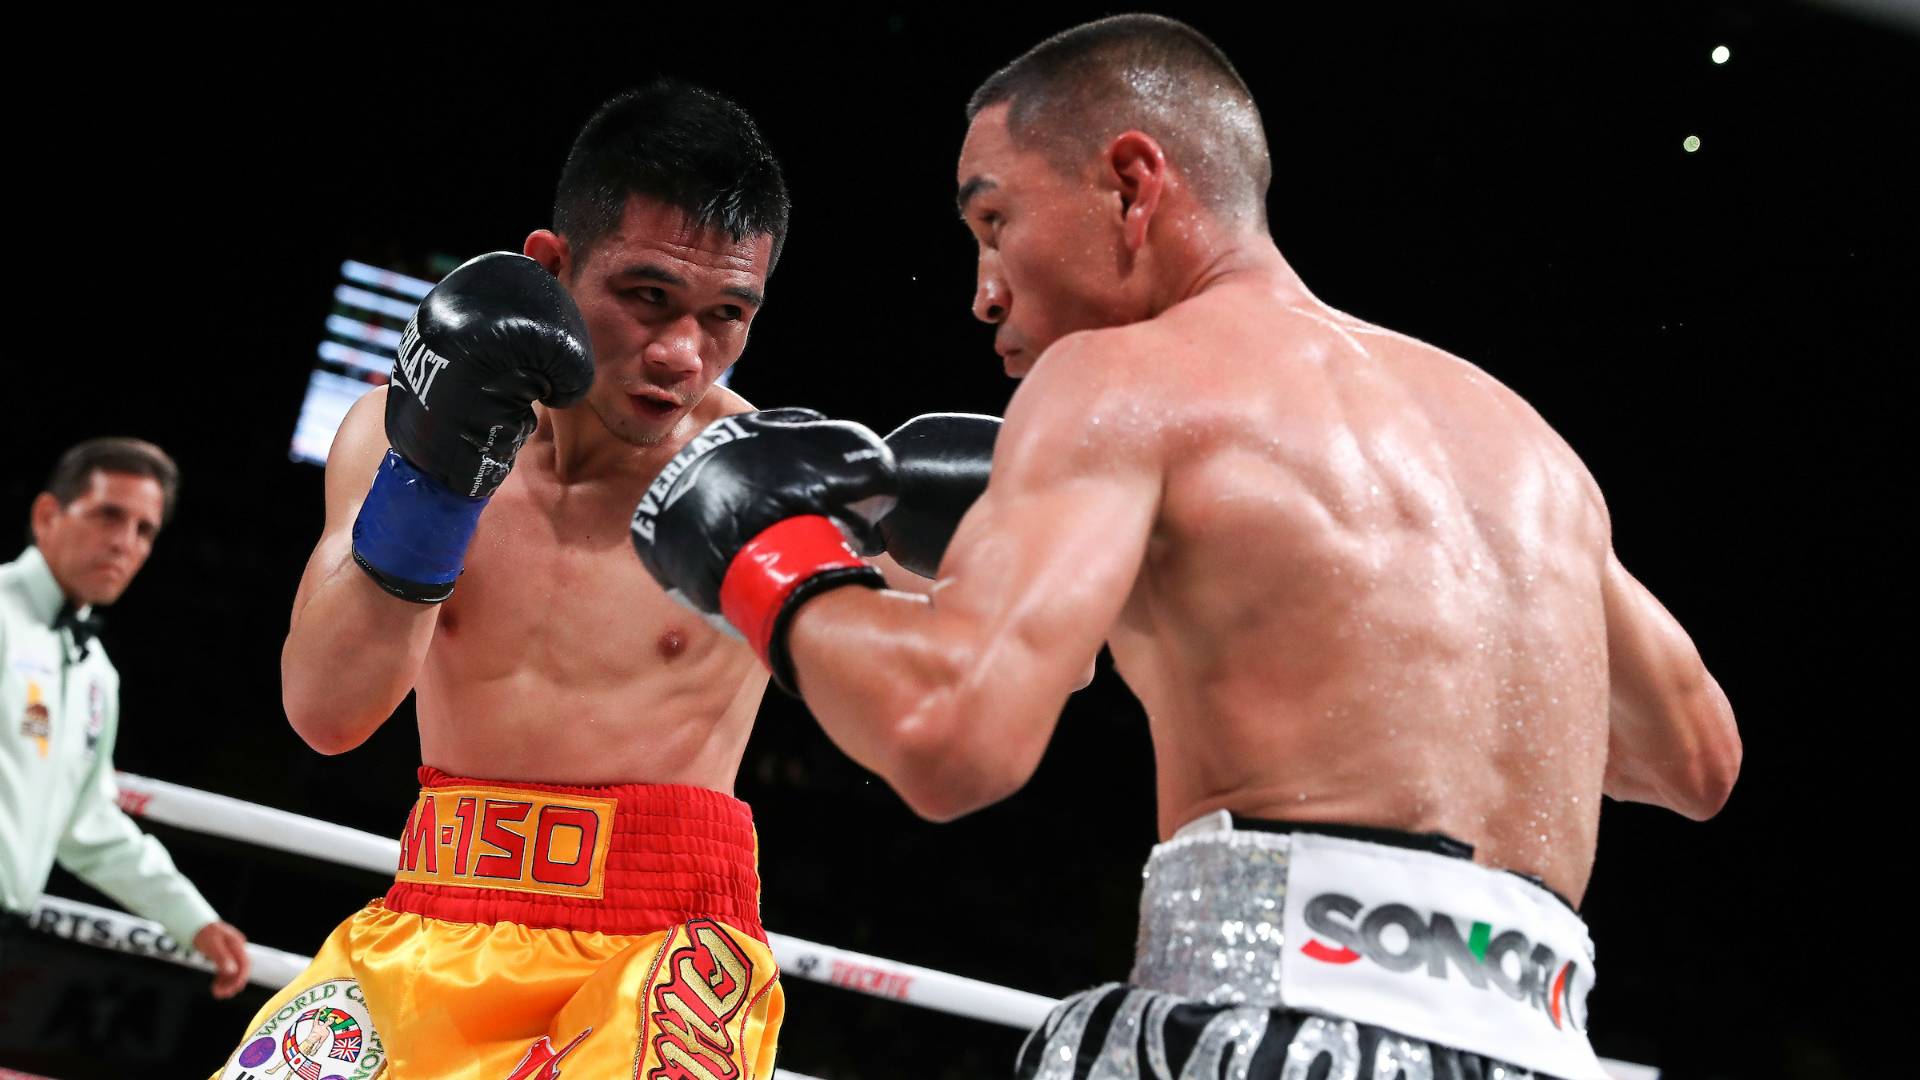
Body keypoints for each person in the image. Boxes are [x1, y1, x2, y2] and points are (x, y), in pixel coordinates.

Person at [633, 15, 1742, 1080]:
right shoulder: (1523, 441)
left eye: (994, 224)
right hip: (1544, 1050)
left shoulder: (1123, 380)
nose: (983, 293)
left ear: (1131, 183)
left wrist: (767, 562)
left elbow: (950, 732)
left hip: (1268, 1031)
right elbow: (1695, 760)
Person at [209, 79, 798, 1080]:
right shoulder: (395, 429)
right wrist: (440, 480)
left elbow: (1013, 667)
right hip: (429, 919)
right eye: (648, 298)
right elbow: (326, 712)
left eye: (727, 315)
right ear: (551, 267)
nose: (681, 354)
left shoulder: (768, 479)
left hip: (659, 953)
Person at [1, 437, 249, 1000]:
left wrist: (192, 918)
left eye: (144, 530)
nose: (124, 543)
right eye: (109, 515)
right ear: (47, 515)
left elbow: (86, 822)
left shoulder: (94, 672)